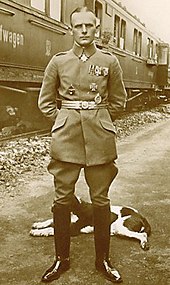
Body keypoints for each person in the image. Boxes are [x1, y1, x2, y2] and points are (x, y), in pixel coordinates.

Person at [38, 6, 127, 284]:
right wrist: (64, 120)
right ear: (71, 29)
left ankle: (103, 260)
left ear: (96, 28)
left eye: (89, 26)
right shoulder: (58, 61)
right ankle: (60, 260)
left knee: (101, 200)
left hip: (99, 139)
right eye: (79, 26)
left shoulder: (109, 61)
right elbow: (45, 102)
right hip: (66, 140)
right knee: (62, 199)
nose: (84, 31)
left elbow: (118, 101)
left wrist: (97, 119)